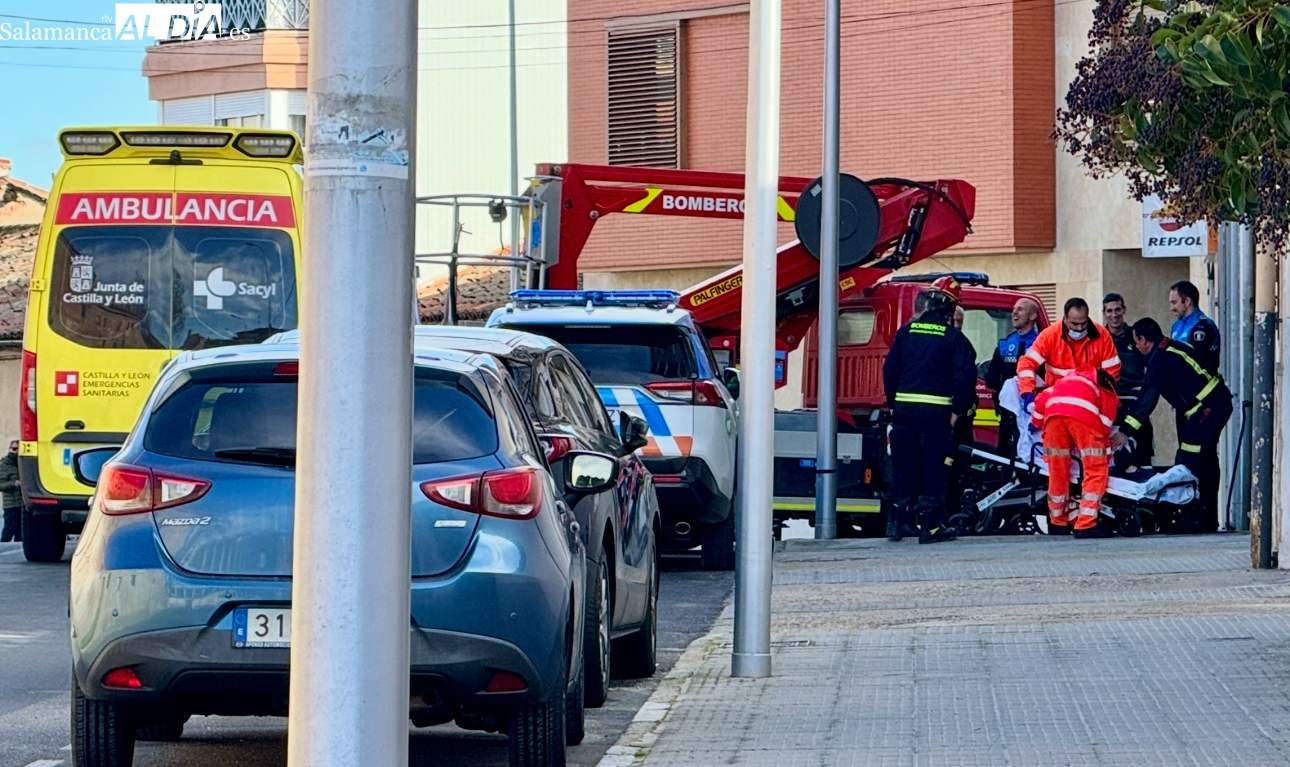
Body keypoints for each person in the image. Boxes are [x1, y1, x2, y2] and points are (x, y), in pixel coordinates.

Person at [882, 276, 978, 544]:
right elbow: (965, 378)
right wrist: (956, 412)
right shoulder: (954, 339)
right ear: (949, 312)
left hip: (903, 413)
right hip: (936, 416)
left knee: (903, 467)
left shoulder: (905, 333)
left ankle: (896, 524)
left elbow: (889, 370)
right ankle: (930, 528)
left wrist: (894, 403)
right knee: (933, 470)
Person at [1116, 318, 1232, 532]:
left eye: (1136, 342)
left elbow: (1147, 398)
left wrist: (1125, 431)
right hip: (1213, 403)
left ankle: (1194, 516)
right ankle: (1206, 518)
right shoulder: (1170, 347)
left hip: (1206, 407)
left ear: (1143, 340)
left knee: (1188, 459)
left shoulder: (1160, 359)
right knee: (1205, 459)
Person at [1030, 366, 1119, 537]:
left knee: (1058, 472)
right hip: (1083, 419)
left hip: (1053, 419)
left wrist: (1035, 423)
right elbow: (1105, 426)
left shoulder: (1064, 380)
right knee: (1096, 471)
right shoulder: (1106, 390)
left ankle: (1058, 523)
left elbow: (1040, 402)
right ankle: (1085, 524)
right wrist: (1105, 453)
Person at [1016, 297, 1121, 412]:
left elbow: (1112, 372)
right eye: (1075, 324)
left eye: (1083, 323)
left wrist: (1100, 395)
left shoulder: (1102, 335)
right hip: (1057, 399)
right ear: (1065, 319)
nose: (1080, 328)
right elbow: (1027, 363)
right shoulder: (1050, 335)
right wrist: (1027, 392)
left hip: (1091, 399)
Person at [1102, 293, 1153, 471]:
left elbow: (1151, 365)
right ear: (1104, 313)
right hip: (1110, 404)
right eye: (1109, 311)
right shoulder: (1099, 339)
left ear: (1124, 310)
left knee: (1142, 453)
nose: (1114, 314)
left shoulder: (1136, 336)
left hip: (1135, 402)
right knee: (1111, 456)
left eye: (1117, 309)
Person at [984, 297, 1041, 454]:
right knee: (1005, 454)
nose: (1014, 312)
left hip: (1034, 412)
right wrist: (1011, 389)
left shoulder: (1042, 343)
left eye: (1020, 309)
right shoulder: (1005, 344)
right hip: (1009, 413)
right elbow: (991, 379)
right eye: (1014, 309)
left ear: (1033, 316)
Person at [1169, 280, 1220, 374]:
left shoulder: (1203, 326)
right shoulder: (1176, 325)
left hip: (1201, 386)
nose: (1171, 308)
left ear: (1187, 301)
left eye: (1174, 302)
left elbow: (1197, 360)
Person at [0, 440, 22, 543]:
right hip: (11, 504)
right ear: (9, 449)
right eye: (14, 448)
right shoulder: (4, 465)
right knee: (8, 531)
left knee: (20, 533)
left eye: (18, 449)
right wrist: (14, 484)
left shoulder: (22, 464)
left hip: (22, 504)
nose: (16, 451)